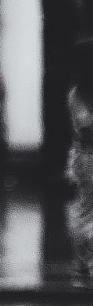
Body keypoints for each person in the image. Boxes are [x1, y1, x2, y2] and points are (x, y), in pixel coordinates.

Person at [65, 39, 93, 285]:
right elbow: (86, 130)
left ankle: (85, 263)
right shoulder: (79, 94)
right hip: (88, 159)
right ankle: (84, 264)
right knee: (87, 212)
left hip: (86, 157)